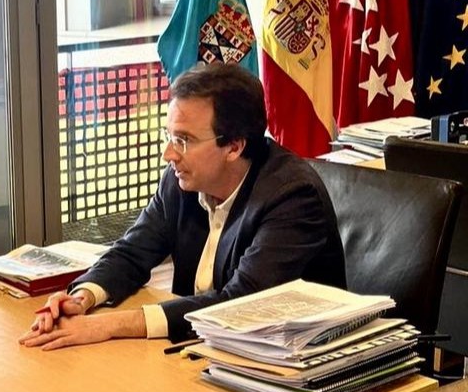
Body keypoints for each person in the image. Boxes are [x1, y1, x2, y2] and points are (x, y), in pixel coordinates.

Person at [20, 62, 346, 350]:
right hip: (203, 352)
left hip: (284, 365)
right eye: (169, 136)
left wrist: (109, 325)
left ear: (234, 146)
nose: (169, 154)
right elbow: (132, 253)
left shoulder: (292, 196)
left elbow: (239, 304)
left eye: (183, 140)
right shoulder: (183, 180)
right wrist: (82, 299)